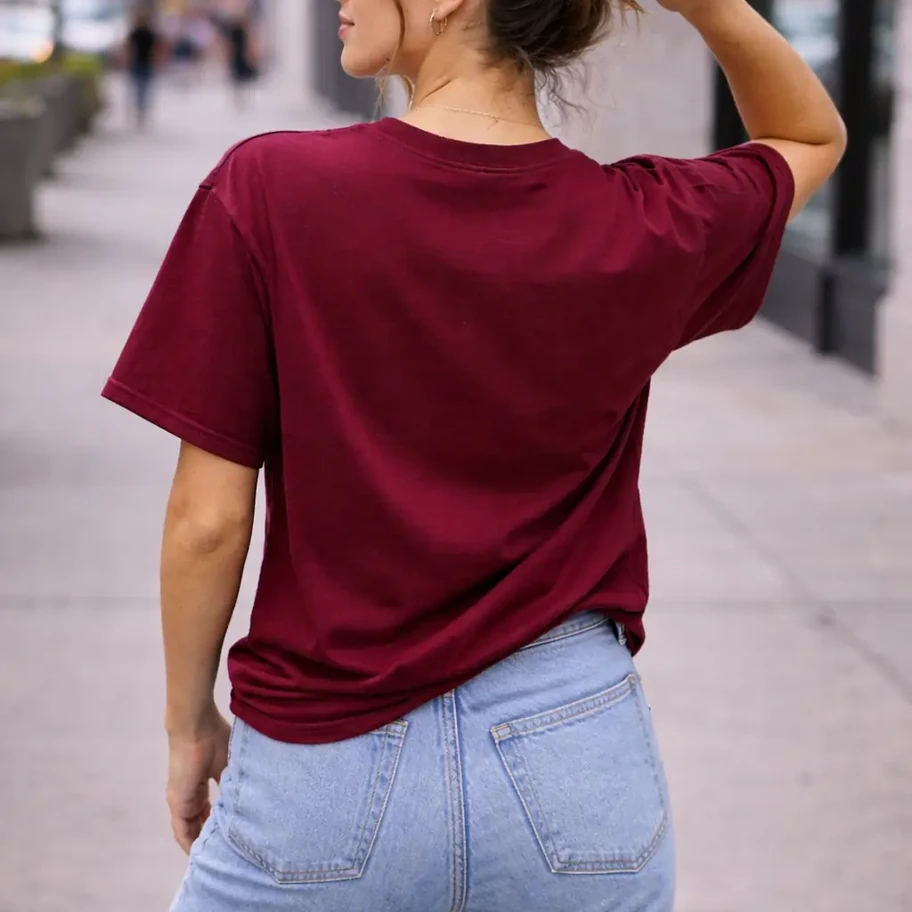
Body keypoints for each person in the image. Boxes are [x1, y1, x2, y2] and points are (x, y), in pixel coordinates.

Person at [101, 0, 845, 909]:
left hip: (322, 764)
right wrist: (709, 5)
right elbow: (808, 134)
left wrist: (188, 728)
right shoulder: (646, 221)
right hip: (575, 758)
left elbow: (208, 522)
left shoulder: (269, 189)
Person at [123, 7, 163, 129]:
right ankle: (141, 112)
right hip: (141, 63)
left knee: (141, 89)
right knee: (142, 89)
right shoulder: (138, 33)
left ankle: (141, 111)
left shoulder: (144, 33)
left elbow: (155, 49)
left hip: (142, 63)